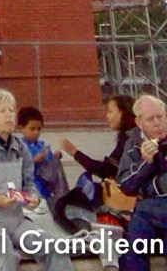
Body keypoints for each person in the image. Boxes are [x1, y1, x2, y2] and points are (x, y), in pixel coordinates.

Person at [0, 88, 73, 271]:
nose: (9, 115)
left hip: (17, 221)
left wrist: (33, 197)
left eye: (11, 110)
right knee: (4, 252)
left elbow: (29, 183)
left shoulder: (20, 148)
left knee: (54, 247)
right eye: (2, 111)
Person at [52, 94, 136, 235]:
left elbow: (104, 170)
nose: (107, 116)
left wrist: (75, 153)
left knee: (63, 204)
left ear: (123, 113)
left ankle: (84, 236)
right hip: (123, 192)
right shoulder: (129, 137)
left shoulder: (129, 140)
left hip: (125, 197)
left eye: (110, 112)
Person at [115, 94, 167, 271]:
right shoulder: (133, 144)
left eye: (160, 116)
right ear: (139, 122)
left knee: (142, 211)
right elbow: (125, 186)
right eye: (150, 119)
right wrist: (145, 163)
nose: (157, 123)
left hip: (153, 207)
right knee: (134, 243)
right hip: (151, 212)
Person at [18, 105, 69, 207]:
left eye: (39, 129)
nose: (36, 132)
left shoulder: (42, 146)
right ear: (21, 128)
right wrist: (33, 161)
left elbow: (50, 169)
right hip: (30, 190)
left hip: (45, 190)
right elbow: (16, 168)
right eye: (32, 129)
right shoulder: (19, 147)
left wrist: (55, 157)